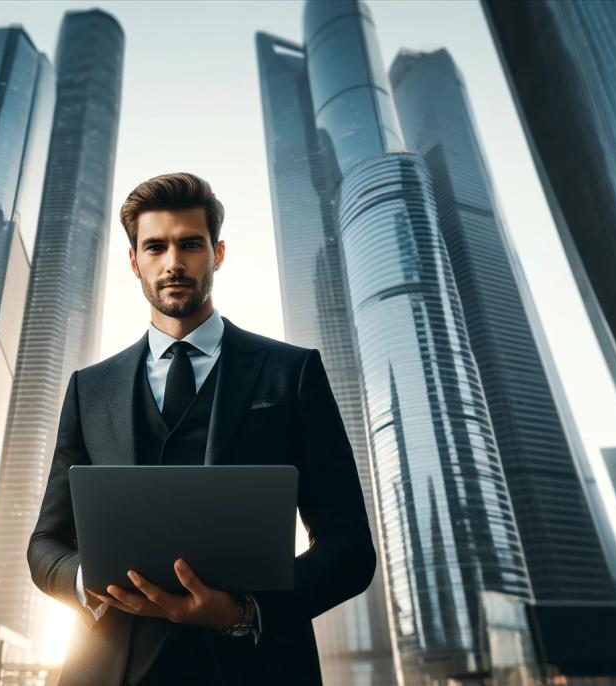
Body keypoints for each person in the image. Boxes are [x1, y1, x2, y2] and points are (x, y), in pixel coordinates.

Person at [27, 172, 376, 685]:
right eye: (155, 247)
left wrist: (243, 611)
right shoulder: (89, 388)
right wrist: (89, 583)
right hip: (111, 669)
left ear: (218, 253)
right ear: (134, 261)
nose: (173, 262)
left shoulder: (291, 372)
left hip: (255, 668)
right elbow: (45, 543)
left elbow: (349, 549)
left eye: (190, 244)